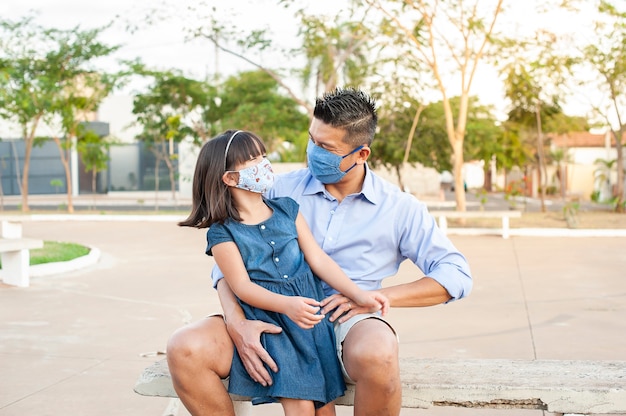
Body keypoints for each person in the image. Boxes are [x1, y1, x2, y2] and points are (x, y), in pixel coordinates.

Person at [167, 87, 473, 416]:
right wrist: (238, 323)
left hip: (347, 319)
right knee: (184, 348)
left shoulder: (399, 208)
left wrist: (373, 296)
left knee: (379, 352)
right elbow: (228, 267)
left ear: (361, 154)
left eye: (326, 147)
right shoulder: (278, 190)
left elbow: (455, 274)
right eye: (312, 139)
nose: (313, 151)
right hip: (267, 313)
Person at [178, 129, 389, 415]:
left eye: (263, 156)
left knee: (325, 407)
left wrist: (359, 294)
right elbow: (241, 285)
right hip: (273, 323)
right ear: (229, 178)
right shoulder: (222, 233)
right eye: (253, 160)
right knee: (300, 404)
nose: (264, 165)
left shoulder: (288, 209)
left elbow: (318, 259)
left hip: (310, 319)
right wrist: (286, 305)